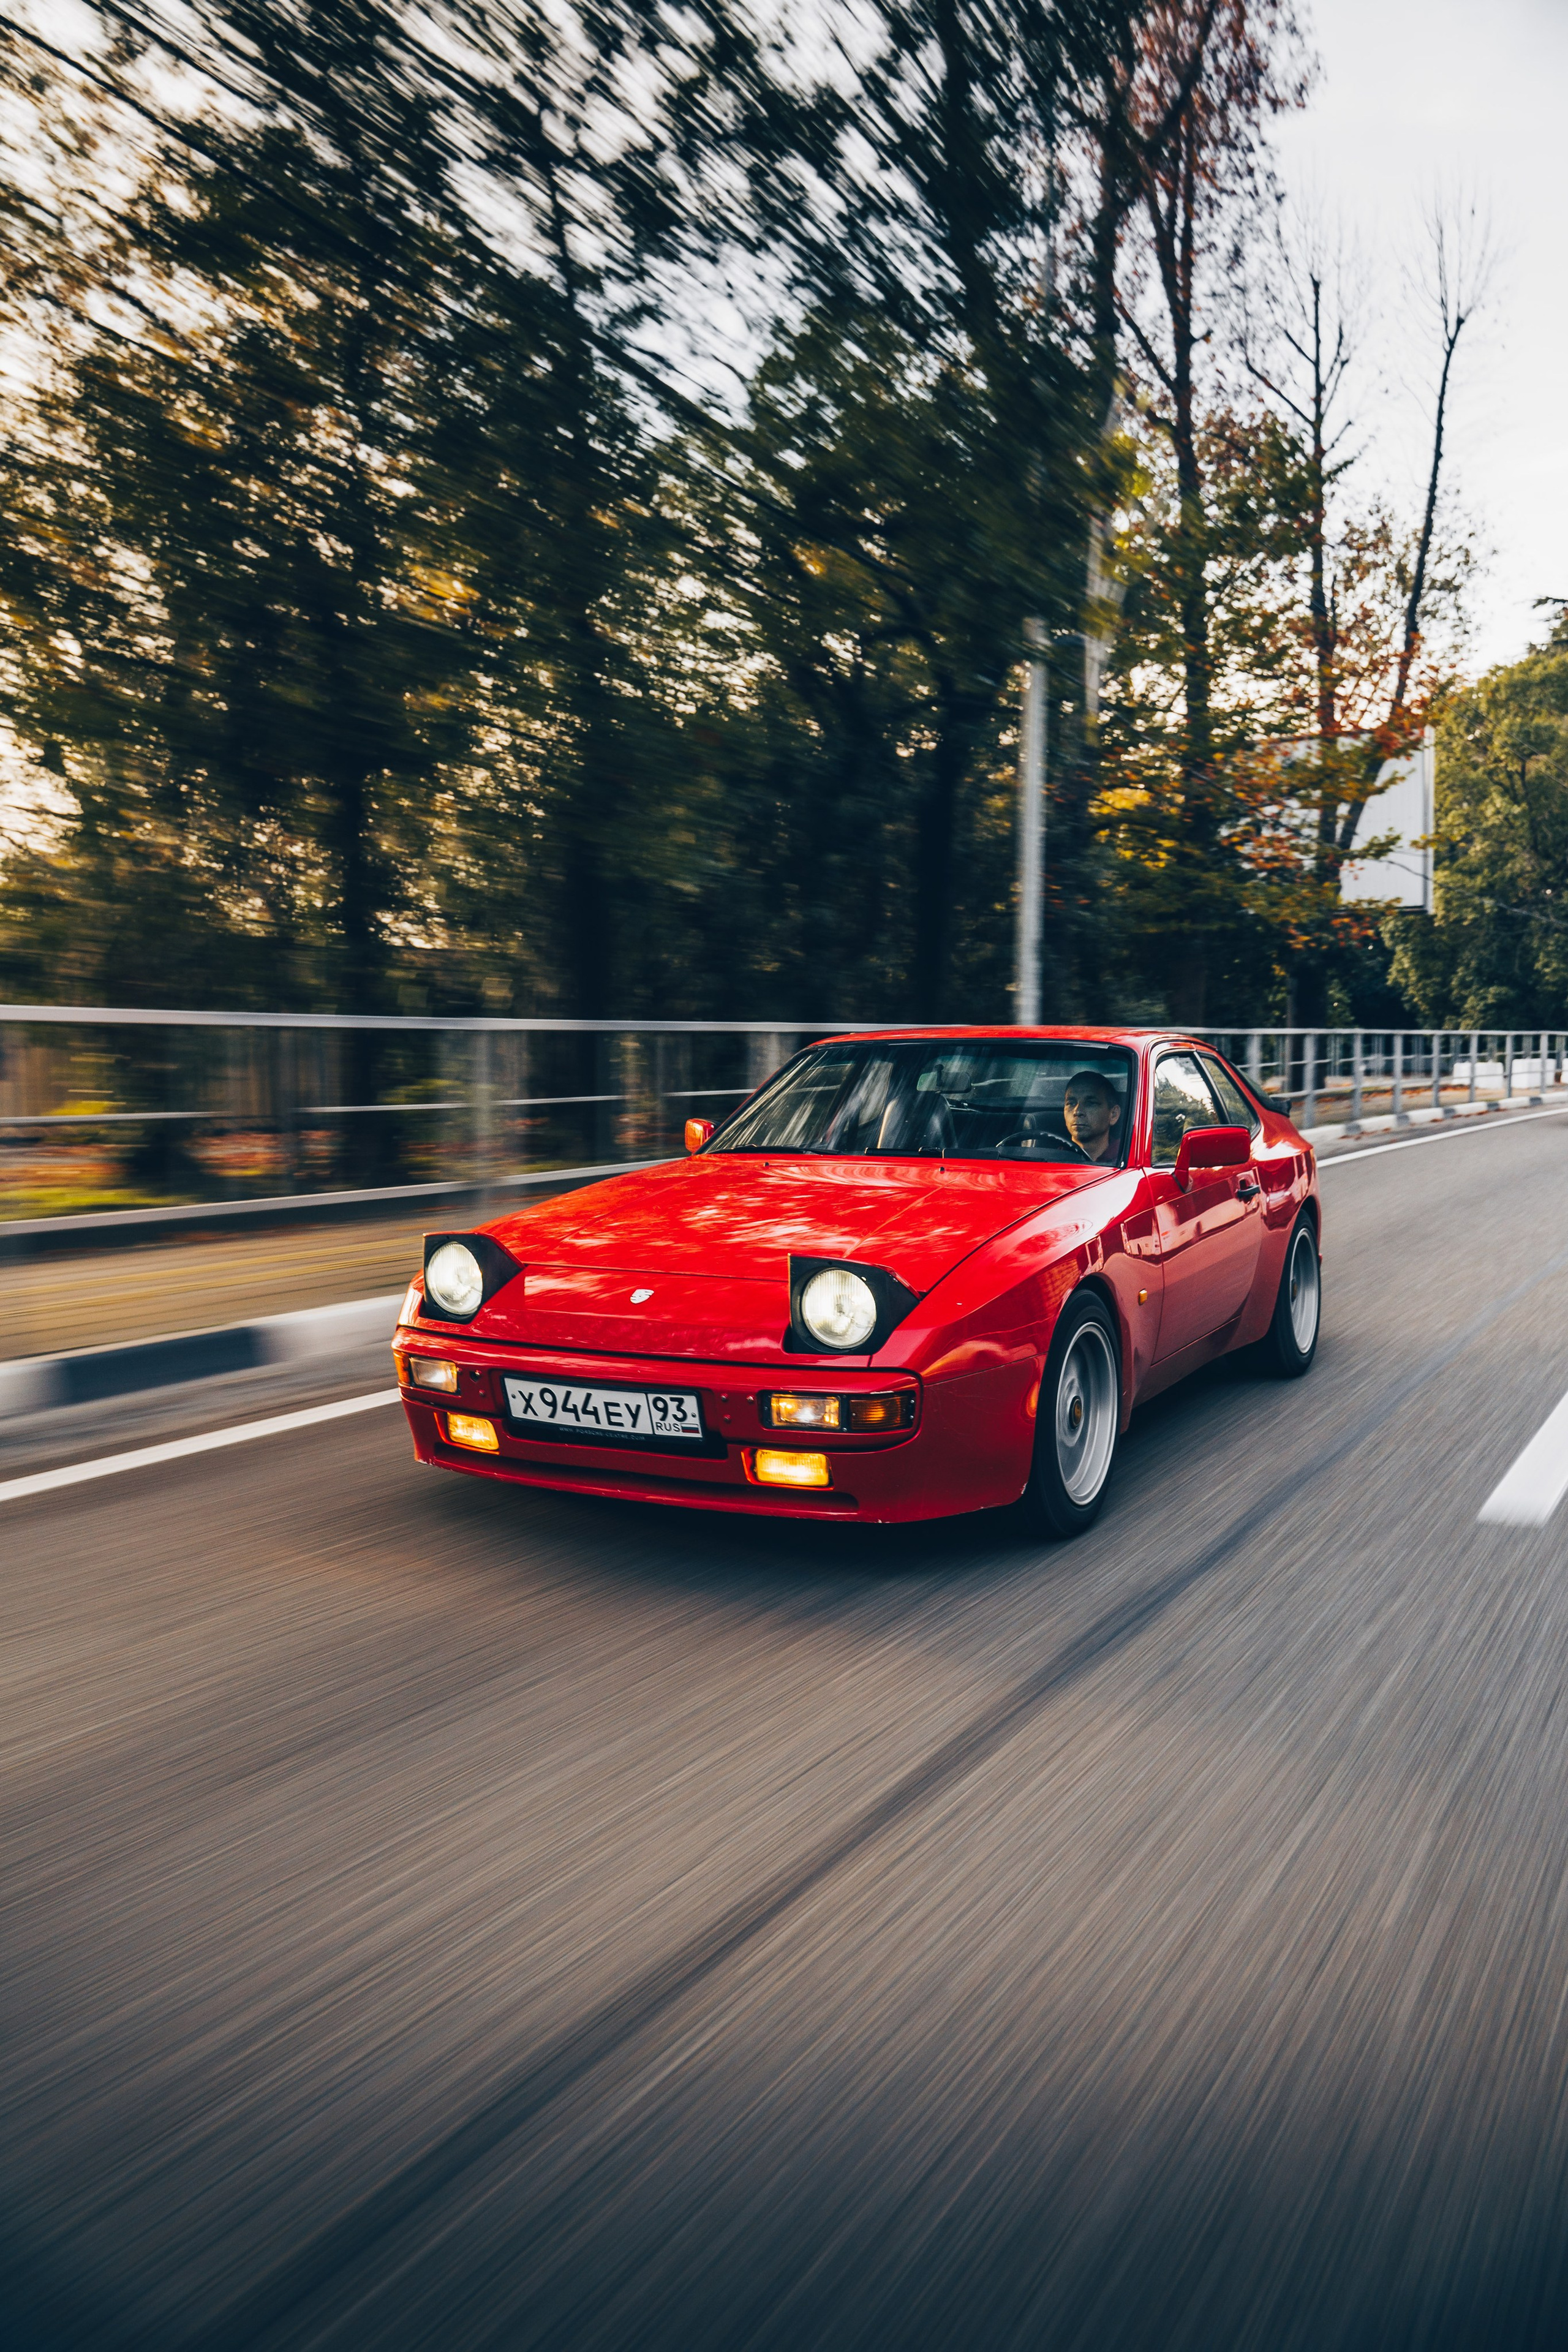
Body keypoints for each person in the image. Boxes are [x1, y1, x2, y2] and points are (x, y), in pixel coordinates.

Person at [1062, 1068, 1123, 1164]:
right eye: (1071, 1103)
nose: (1077, 1111)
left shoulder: (1124, 1158)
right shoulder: (1053, 1158)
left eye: (1091, 1103)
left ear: (1113, 1115)